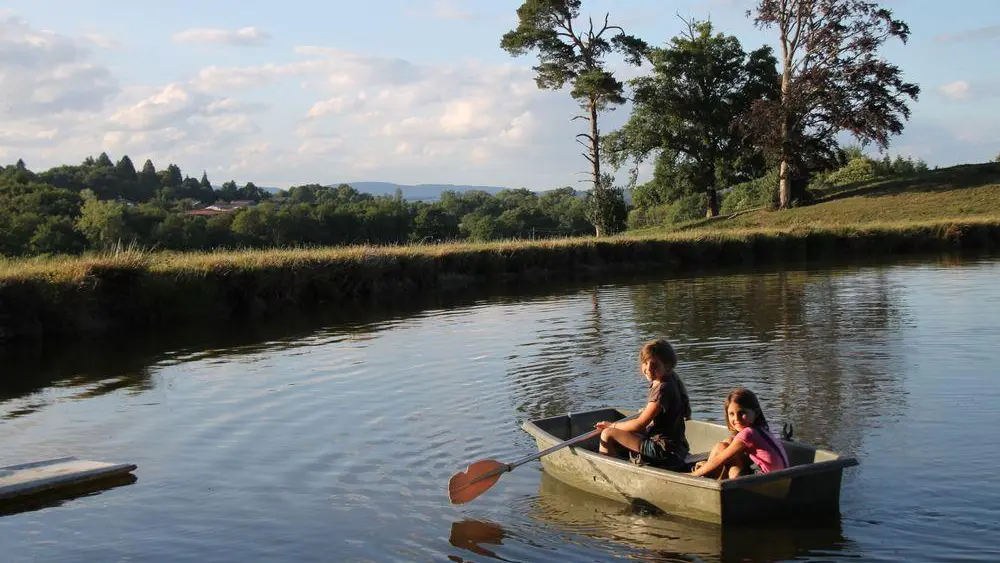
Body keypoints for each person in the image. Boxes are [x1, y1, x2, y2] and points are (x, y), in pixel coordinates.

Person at [594, 338, 691, 471]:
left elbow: (640, 424)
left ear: (667, 366)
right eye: (645, 363)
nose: (648, 368)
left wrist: (612, 425)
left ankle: (606, 472)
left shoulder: (661, 390)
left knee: (607, 434)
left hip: (664, 452)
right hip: (678, 448)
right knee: (631, 432)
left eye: (654, 364)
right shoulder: (670, 379)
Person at [690, 388, 789, 479]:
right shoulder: (761, 429)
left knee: (721, 447)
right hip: (779, 479)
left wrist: (693, 475)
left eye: (742, 413)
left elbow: (720, 459)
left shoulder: (748, 433)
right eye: (731, 414)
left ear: (756, 413)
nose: (736, 419)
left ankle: (705, 480)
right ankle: (708, 474)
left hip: (764, 483)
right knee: (728, 441)